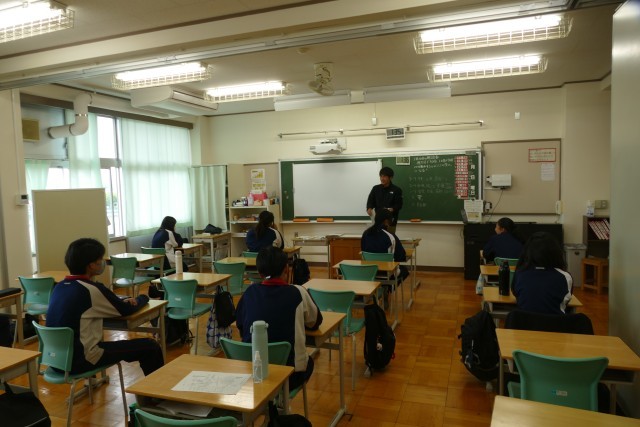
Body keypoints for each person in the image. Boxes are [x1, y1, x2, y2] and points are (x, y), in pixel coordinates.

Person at [46, 238, 164, 375]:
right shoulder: (91, 289)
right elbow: (126, 310)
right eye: (100, 259)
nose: (102, 262)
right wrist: (143, 298)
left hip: (55, 361)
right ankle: (158, 388)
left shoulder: (59, 287)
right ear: (91, 265)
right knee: (151, 346)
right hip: (81, 360)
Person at [235, 246, 322, 390]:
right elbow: (315, 322)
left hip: (254, 372)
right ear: (286, 269)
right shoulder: (298, 292)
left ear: (259, 272)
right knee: (309, 362)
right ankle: (280, 400)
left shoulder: (249, 293)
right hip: (290, 375)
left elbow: (241, 326)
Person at [511, 232, 573, 315]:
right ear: (556, 253)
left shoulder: (520, 274)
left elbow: (517, 296)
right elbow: (565, 302)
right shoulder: (566, 277)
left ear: (527, 252)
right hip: (555, 322)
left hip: (524, 322)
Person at [361, 208, 409, 281]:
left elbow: (363, 251)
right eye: (391, 220)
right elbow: (401, 257)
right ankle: (388, 287)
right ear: (386, 221)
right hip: (386, 273)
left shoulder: (366, 234)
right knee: (404, 270)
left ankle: (382, 287)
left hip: (369, 271)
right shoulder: (390, 236)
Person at [366, 166, 403, 234]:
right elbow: (370, 200)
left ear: (390, 177)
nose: (382, 179)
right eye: (381, 176)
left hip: (390, 221)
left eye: (384, 176)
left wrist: (393, 209)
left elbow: (399, 204)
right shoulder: (375, 189)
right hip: (378, 221)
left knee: (390, 238)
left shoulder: (396, 190)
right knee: (377, 238)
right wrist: (369, 208)